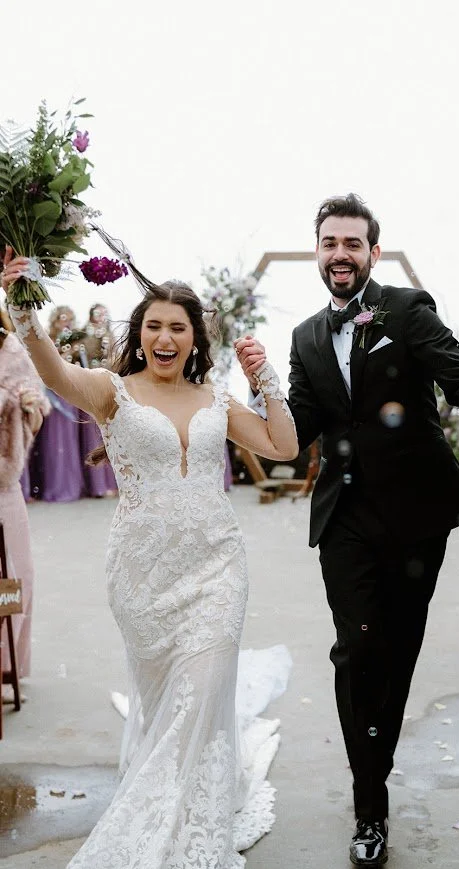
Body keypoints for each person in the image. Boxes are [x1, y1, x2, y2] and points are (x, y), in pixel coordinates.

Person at [1, 245, 298, 868]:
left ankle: (182, 821)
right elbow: (52, 372)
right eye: (154, 326)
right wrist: (22, 306)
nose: (165, 337)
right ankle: (166, 791)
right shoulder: (112, 392)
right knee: (168, 699)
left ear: (195, 339)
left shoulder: (215, 398)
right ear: (139, 335)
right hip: (143, 575)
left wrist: (265, 379)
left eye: (178, 327)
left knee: (205, 688)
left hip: (218, 567)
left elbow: (282, 445)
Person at [236, 193, 459, 867]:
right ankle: (369, 804)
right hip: (345, 518)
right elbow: (295, 434)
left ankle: (372, 768)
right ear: (317, 251)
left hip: (416, 515)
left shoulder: (406, 310)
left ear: (372, 252)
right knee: (356, 650)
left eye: (352, 243)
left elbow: (458, 375)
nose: (340, 254)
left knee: (397, 652)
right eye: (330, 242)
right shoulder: (304, 337)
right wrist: (260, 386)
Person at [0, 306, 50, 683]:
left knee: (16, 578)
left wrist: (29, 408)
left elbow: (36, 414)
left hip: (4, 485)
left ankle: (7, 668)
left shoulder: (13, 351)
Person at [28, 305, 86, 502]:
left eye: (69, 319)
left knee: (69, 443)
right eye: (63, 319)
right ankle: (54, 487)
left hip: (69, 396)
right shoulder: (47, 340)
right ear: (54, 321)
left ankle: (72, 486)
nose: (66, 323)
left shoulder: (77, 343)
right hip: (53, 396)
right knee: (53, 443)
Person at [79, 303, 118, 497]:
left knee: (111, 435)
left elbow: (114, 360)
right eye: (98, 313)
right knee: (94, 435)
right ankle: (96, 485)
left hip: (108, 387)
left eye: (104, 313)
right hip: (91, 387)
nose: (102, 316)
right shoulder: (85, 336)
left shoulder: (110, 336)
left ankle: (113, 483)